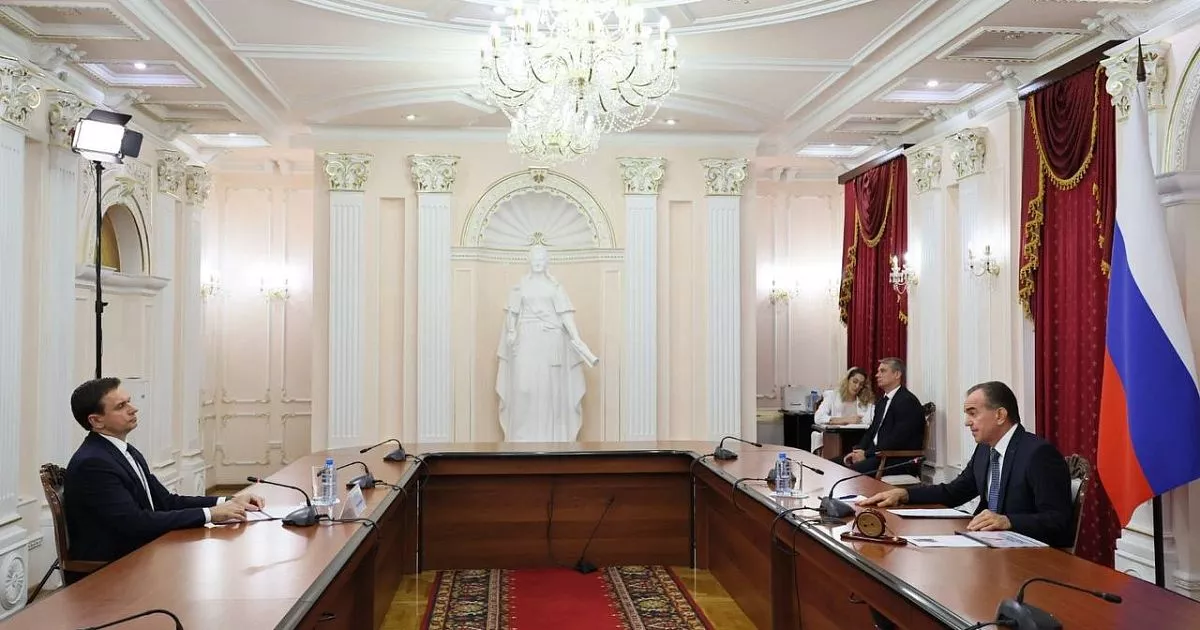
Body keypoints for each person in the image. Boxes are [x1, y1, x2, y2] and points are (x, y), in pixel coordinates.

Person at [64, 378, 265, 582]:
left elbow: (166, 502)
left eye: (129, 401)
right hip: (111, 572)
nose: (133, 409)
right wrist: (210, 514)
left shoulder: (124, 451)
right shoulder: (93, 463)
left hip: (139, 556)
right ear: (96, 420)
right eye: (121, 406)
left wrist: (228, 501)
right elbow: (134, 522)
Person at [859, 381, 1074, 547]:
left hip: (1028, 558)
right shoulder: (985, 450)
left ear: (1000, 415)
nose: (966, 422)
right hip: (986, 546)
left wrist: (1008, 521)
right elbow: (955, 492)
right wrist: (905, 495)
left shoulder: (1038, 454)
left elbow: (1059, 521)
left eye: (973, 413)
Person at [496, 244, 599, 442]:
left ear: (546, 262)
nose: (538, 262)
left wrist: (577, 339)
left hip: (550, 341)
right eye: (535, 258)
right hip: (525, 339)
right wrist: (511, 331)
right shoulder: (520, 286)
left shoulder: (555, 288)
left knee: (547, 388)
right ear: (529, 260)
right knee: (524, 386)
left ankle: (550, 437)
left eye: (541, 258)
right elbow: (512, 313)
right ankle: (521, 438)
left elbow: (565, 315)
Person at [842, 358, 924, 475]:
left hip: (895, 460)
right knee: (832, 465)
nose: (877, 375)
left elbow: (897, 440)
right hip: (876, 456)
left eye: (883, 371)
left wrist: (866, 454)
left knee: (845, 473)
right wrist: (858, 451)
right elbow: (872, 431)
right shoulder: (882, 402)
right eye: (878, 371)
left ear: (897, 374)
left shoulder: (907, 401)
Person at [811, 367, 875, 453]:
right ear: (847, 380)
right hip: (836, 438)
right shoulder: (833, 396)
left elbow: (872, 420)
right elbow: (818, 417)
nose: (857, 386)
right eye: (855, 381)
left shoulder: (864, 399)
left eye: (861, 384)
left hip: (859, 438)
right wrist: (845, 420)